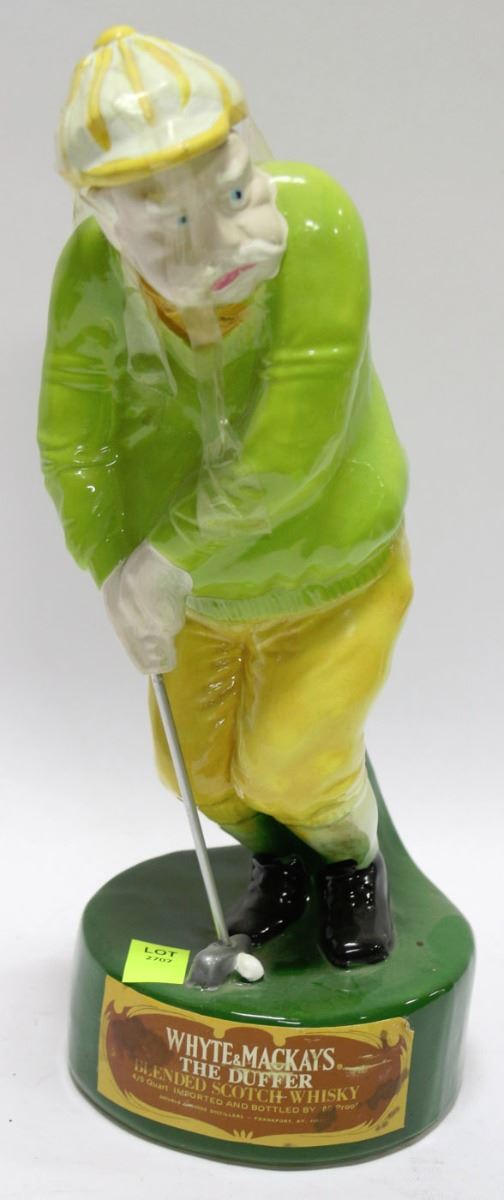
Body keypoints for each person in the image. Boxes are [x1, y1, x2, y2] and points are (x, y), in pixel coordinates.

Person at [38, 26, 412, 968]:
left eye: (234, 194)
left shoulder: (318, 228)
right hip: (198, 597)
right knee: (196, 772)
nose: (215, 246)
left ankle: (349, 861)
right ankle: (279, 861)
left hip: (332, 569)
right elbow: (74, 442)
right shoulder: (90, 277)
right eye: (167, 222)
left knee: (291, 758)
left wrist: (163, 560)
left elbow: (294, 444)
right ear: (100, 213)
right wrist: (115, 572)